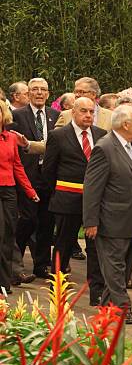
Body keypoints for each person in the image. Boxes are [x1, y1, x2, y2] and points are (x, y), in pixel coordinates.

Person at [83, 105, 132, 324]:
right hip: (111, 221)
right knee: (115, 269)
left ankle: (107, 306)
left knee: (122, 270)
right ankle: (123, 309)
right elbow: (92, 188)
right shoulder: (104, 148)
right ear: (125, 124)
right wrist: (90, 221)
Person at [42, 98, 107, 303]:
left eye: (91, 112)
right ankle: (57, 289)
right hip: (67, 200)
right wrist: (58, 195)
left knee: (95, 249)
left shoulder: (101, 135)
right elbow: (48, 171)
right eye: (84, 111)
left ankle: (96, 294)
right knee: (64, 244)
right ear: (73, 113)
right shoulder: (58, 136)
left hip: (95, 204)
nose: (88, 115)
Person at [12, 78, 60, 279]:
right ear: (29, 94)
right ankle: (15, 264)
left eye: (43, 90)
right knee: (28, 220)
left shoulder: (55, 115)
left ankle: (41, 266)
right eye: (35, 90)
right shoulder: (17, 116)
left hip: (49, 176)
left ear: (48, 94)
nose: (39, 93)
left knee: (47, 221)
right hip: (26, 175)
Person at [0, 100, 39, 293]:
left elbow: (17, 166)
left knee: (8, 236)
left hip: (8, 190)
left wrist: (30, 192)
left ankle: (4, 283)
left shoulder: (11, 138)